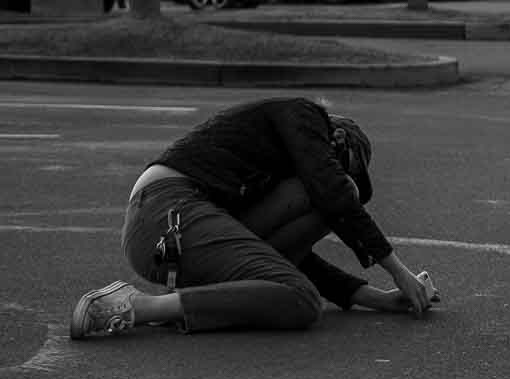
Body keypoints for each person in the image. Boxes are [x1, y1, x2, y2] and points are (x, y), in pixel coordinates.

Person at [70, 97, 437, 338]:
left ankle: (184, 300)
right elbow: (333, 192)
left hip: (173, 232)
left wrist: (381, 299)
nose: (342, 177)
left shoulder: (267, 169)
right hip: (169, 214)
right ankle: (140, 306)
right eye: (343, 166)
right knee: (301, 299)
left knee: (291, 275)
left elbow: (285, 259)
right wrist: (400, 272)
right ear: (336, 138)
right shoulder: (304, 115)